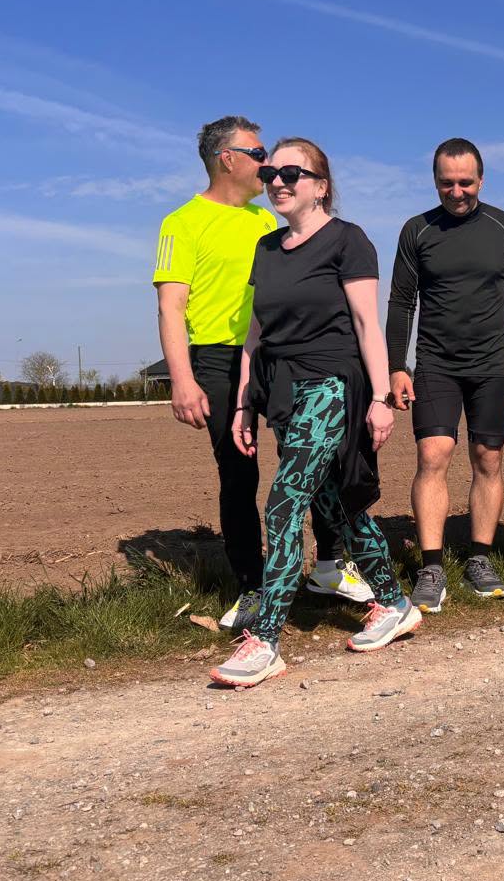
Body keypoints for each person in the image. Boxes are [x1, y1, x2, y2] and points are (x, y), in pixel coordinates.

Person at [210, 139, 419, 688]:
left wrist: (379, 399)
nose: (278, 181)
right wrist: (243, 404)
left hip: (332, 385)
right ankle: (395, 605)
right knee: (337, 503)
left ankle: (266, 640)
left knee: (283, 503)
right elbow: (254, 335)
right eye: (272, 171)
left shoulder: (347, 241)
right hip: (281, 390)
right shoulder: (267, 247)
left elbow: (367, 325)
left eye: (292, 173)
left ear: (321, 185)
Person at [152, 117, 372, 633]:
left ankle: (327, 566)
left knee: (312, 463)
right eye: (258, 154)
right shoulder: (180, 222)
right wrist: (182, 379)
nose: (269, 167)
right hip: (217, 361)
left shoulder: (266, 221)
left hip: (282, 359)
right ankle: (254, 585)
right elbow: (169, 308)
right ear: (227, 158)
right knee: (239, 473)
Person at [385, 138, 504, 613]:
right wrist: (398, 365)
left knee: (487, 459)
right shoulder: (417, 230)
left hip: (491, 366)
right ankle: (431, 567)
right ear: (434, 181)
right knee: (433, 454)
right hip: (435, 363)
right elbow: (401, 302)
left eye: (465, 182)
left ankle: (480, 558)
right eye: (446, 183)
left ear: (481, 179)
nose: (456, 192)